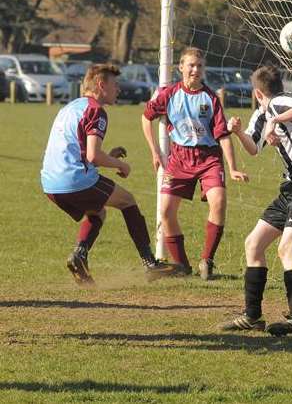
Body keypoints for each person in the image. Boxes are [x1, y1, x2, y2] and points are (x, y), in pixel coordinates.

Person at [41, 64, 182, 286]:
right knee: (128, 201)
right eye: (115, 85)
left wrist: (109, 156)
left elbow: (79, 149)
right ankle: (150, 264)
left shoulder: (69, 108)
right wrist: (120, 165)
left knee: (97, 211)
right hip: (74, 180)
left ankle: (80, 256)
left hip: (49, 183)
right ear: (101, 85)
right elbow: (93, 156)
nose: (119, 89)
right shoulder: (96, 110)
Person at [222, 65, 292, 338]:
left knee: (286, 248)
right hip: (290, 189)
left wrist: (276, 120)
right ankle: (252, 316)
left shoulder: (280, 102)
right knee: (254, 243)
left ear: (257, 92)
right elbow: (253, 148)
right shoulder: (261, 113)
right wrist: (238, 132)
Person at [142, 47, 248, 280]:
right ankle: (181, 266)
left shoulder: (210, 98)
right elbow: (145, 117)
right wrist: (156, 152)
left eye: (199, 66)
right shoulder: (168, 94)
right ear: (181, 67)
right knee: (166, 211)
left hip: (208, 158)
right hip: (178, 158)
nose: (195, 70)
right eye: (191, 65)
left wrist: (232, 168)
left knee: (218, 202)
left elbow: (223, 136)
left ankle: (207, 260)